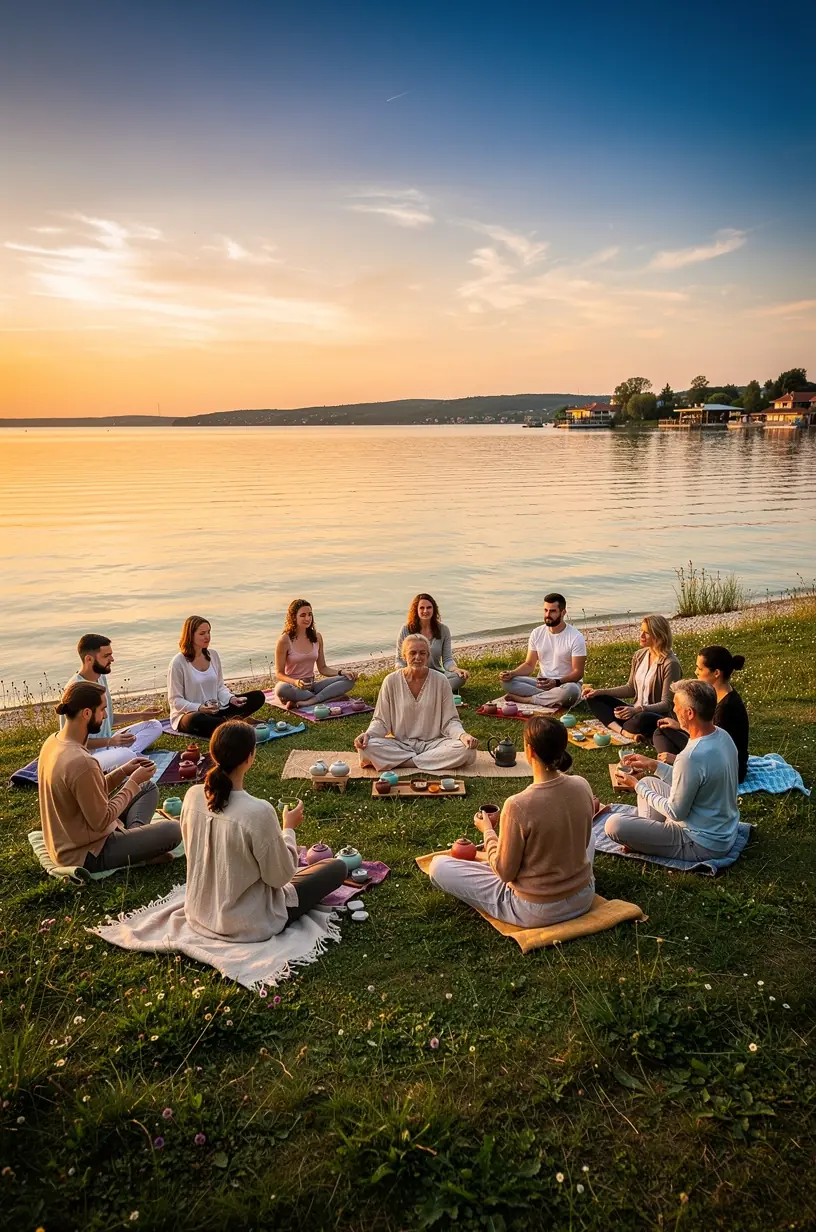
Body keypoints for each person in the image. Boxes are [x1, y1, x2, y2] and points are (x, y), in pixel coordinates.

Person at [181, 720, 347, 941]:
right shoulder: (258, 812)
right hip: (248, 922)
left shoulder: (192, 795)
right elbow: (280, 877)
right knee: (336, 867)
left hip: (199, 911)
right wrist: (288, 829)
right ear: (250, 757)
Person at [429, 716, 596, 926]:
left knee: (439, 866)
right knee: (589, 835)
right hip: (583, 896)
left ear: (529, 751)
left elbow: (505, 872)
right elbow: (586, 838)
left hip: (537, 910)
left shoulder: (517, 805)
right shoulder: (582, 785)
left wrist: (488, 830)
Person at [38, 680, 181, 872]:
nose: (106, 716)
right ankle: (140, 849)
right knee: (173, 830)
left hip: (71, 837)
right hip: (87, 852)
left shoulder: (53, 742)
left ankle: (136, 842)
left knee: (147, 787)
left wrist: (123, 771)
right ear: (87, 713)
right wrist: (132, 782)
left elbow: (86, 793)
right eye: (103, 710)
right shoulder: (82, 762)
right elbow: (102, 820)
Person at [603, 679, 740, 860]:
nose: (674, 710)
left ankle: (644, 841)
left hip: (701, 842)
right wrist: (654, 765)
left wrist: (635, 785)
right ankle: (645, 838)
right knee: (648, 782)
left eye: (676, 705)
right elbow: (693, 781)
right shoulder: (722, 736)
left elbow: (676, 812)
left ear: (689, 713)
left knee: (613, 825)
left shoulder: (690, 757)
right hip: (720, 828)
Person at [355, 634, 478, 772]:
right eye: (413, 653)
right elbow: (381, 721)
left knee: (466, 750)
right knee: (367, 747)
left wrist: (463, 735)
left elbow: (450, 721)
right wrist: (368, 735)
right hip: (400, 744)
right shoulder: (390, 681)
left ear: (428, 656)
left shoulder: (441, 680)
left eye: (422, 653)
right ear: (404, 656)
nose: (417, 657)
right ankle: (428, 761)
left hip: (434, 744)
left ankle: (405, 762)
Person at [60, 633, 163, 771]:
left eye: (111, 654)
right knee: (126, 754)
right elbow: (73, 742)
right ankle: (127, 757)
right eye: (106, 656)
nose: (112, 659)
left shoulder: (100, 678)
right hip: (87, 756)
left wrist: (141, 715)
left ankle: (127, 756)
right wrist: (111, 741)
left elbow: (108, 718)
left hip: (108, 743)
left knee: (155, 725)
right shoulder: (76, 691)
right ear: (89, 659)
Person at [653, 646, 749, 781]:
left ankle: (675, 765)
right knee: (662, 730)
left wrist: (676, 758)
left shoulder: (726, 709)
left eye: (700, 668)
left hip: (728, 769)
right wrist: (679, 725)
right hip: (710, 752)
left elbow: (714, 752)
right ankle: (673, 763)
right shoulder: (716, 695)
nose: (696, 672)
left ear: (716, 673)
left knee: (660, 733)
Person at [582, 614, 682, 741]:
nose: (641, 635)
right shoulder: (639, 656)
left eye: (646, 633)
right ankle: (625, 732)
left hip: (653, 716)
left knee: (640, 719)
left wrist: (638, 710)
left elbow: (666, 704)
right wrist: (600, 691)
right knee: (593, 698)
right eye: (641, 630)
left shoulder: (670, 664)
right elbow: (630, 688)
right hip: (634, 711)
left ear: (659, 636)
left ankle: (621, 726)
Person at [168, 616, 266, 737]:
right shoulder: (178, 662)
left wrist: (231, 699)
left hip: (216, 710)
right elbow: (175, 700)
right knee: (197, 720)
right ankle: (234, 724)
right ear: (190, 635)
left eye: (209, 632)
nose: (207, 636)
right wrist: (200, 708)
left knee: (257, 696)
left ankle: (229, 724)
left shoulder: (213, 655)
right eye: (202, 633)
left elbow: (219, 687)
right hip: (190, 714)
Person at [500, 593, 586, 709]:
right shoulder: (537, 633)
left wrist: (556, 682)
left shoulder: (576, 637)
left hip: (565, 684)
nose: (547, 615)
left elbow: (578, 672)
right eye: (545, 610)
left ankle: (527, 699)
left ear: (563, 612)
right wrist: (512, 673)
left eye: (552, 611)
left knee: (571, 692)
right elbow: (529, 665)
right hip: (542, 683)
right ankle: (549, 698)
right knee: (508, 682)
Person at [273, 599, 358, 709]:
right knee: (281, 689)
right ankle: (326, 697)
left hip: (312, 685)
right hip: (293, 686)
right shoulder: (284, 640)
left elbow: (323, 668)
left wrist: (342, 672)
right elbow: (279, 673)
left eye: (310, 614)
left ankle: (310, 701)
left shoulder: (317, 637)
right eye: (303, 615)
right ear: (293, 617)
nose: (307, 618)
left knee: (349, 680)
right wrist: (296, 682)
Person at [395, 594, 469, 692]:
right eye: (422, 608)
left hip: (436, 675)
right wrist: (402, 673)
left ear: (434, 609)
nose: (425, 611)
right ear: (416, 610)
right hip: (413, 675)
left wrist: (456, 670)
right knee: (395, 681)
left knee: (459, 677)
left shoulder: (443, 630)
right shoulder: (406, 629)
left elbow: (447, 660)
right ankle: (436, 691)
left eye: (429, 607)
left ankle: (426, 691)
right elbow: (399, 661)